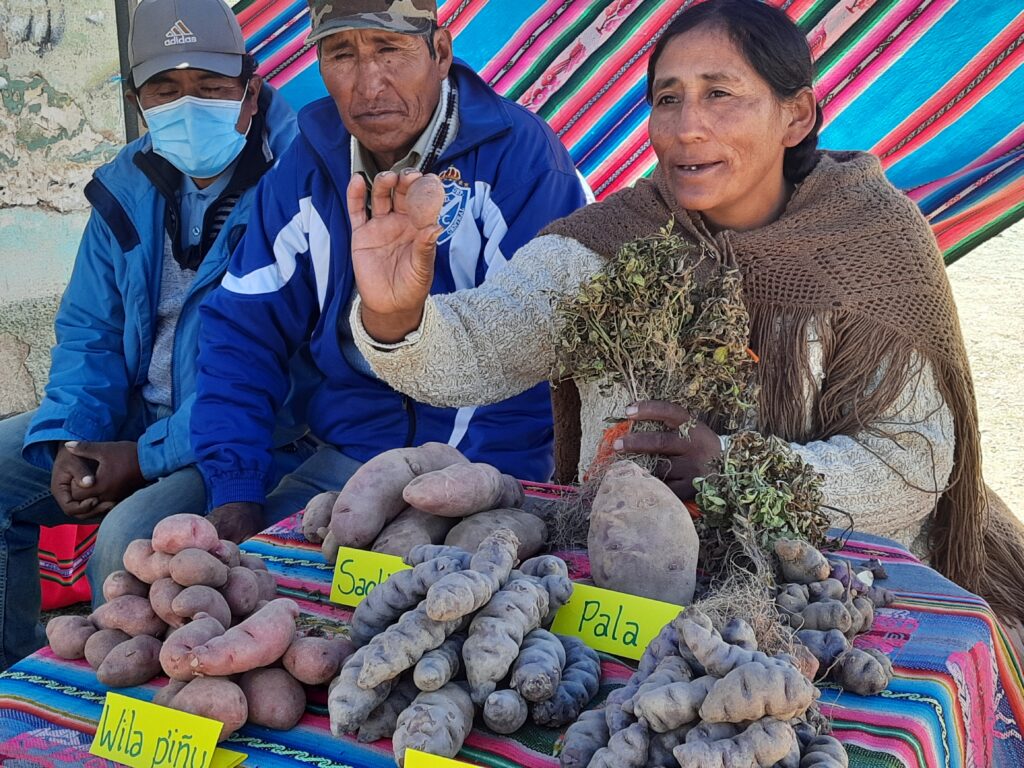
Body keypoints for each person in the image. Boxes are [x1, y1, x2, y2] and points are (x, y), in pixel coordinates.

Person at [344, 0, 1024, 636]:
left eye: (719, 94)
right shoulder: (609, 243)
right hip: (629, 592)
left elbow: (912, 460)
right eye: (667, 99)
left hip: (834, 601)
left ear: (797, 115)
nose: (686, 125)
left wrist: (726, 468)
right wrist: (396, 309)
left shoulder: (870, 242)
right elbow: (482, 346)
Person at [190, 0, 589, 543]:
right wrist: (235, 492)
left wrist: (475, 494)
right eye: (341, 54)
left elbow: (533, 360)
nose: (369, 83)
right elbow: (241, 334)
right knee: (246, 573)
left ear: (441, 52)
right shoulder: (306, 167)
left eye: (389, 49)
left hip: (480, 466)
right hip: (346, 455)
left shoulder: (523, 163)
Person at [0, 0, 303, 669]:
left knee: (127, 547)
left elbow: (284, 376)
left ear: (250, 92)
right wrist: (70, 441)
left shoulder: (299, 181)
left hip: (249, 432)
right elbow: (89, 330)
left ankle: (161, 712)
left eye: (212, 87)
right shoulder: (124, 184)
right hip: (138, 418)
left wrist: (145, 457)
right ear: (138, 102)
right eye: (166, 89)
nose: (188, 104)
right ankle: (20, 681)